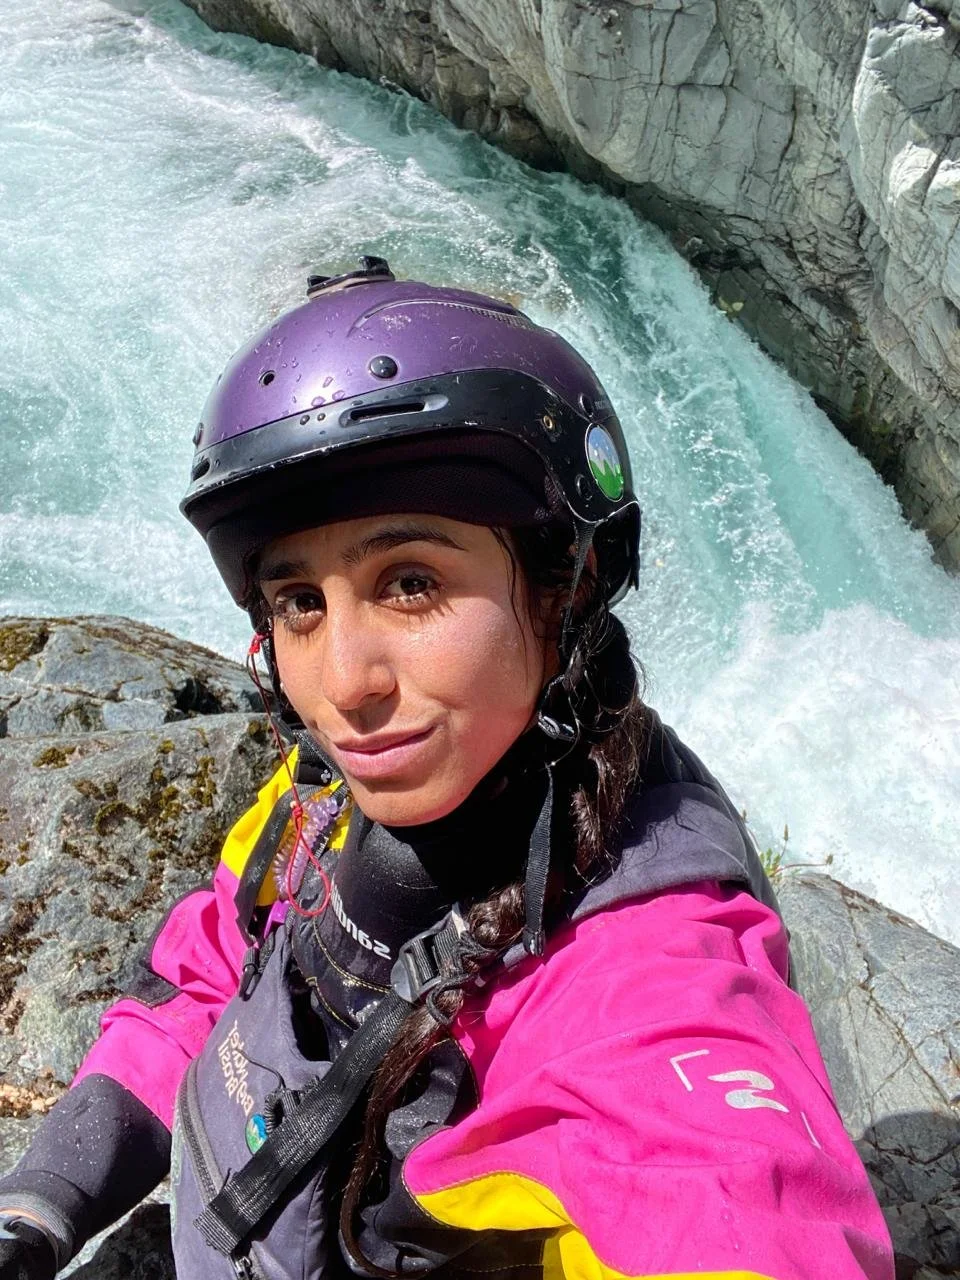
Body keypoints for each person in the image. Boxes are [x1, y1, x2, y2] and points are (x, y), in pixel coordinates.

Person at [0, 258, 893, 1279]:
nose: (345, 683)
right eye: (299, 601)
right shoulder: (325, 801)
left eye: (411, 581)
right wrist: (42, 1199)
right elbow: (211, 970)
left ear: (575, 579)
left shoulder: (646, 970)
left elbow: (727, 1195)